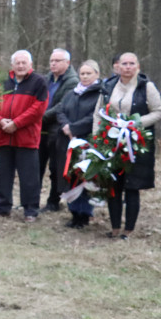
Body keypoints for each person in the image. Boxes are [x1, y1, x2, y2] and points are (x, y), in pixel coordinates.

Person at [97, 52, 161, 239]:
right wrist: (97, 138)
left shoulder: (146, 87)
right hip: (111, 142)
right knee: (113, 185)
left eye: (131, 63)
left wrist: (135, 123)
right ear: (118, 66)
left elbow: (158, 112)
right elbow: (99, 112)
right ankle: (115, 227)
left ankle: (129, 230)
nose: (127, 67)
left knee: (132, 187)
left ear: (138, 67)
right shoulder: (109, 86)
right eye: (124, 63)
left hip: (137, 143)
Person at [0, 50, 48, 221]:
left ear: (30, 64)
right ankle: (3, 206)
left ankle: (31, 209)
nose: (21, 66)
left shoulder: (38, 82)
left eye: (24, 62)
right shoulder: (2, 81)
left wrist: (16, 123)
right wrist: (0, 121)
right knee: (3, 175)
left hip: (26, 137)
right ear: (12, 65)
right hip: (3, 135)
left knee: (29, 176)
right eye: (18, 62)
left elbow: (38, 108)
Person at [56, 60, 105, 228]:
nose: (84, 77)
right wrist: (66, 126)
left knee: (85, 178)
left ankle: (84, 214)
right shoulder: (72, 93)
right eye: (82, 73)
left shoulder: (100, 94)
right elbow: (61, 110)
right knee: (70, 177)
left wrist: (74, 128)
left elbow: (95, 116)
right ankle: (73, 212)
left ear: (97, 75)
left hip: (87, 142)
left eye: (88, 73)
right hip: (68, 141)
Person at [40, 48, 78, 212]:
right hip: (40, 129)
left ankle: (53, 201)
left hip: (58, 129)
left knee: (56, 168)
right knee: (37, 167)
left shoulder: (72, 81)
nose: (53, 64)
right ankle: (32, 200)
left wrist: (39, 117)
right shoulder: (46, 79)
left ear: (67, 63)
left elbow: (61, 106)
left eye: (57, 61)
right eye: (51, 61)